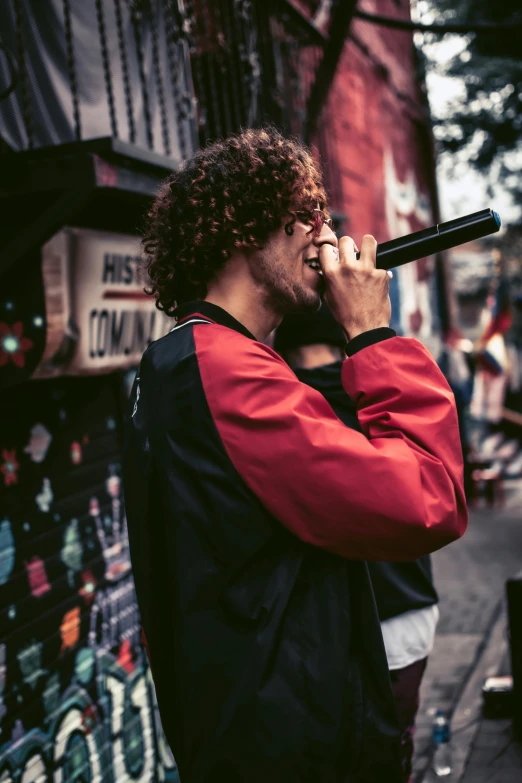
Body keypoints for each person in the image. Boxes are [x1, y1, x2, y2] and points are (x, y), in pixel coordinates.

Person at [123, 126, 467, 783]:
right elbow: (428, 497)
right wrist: (370, 332)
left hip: (264, 732)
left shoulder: (189, 363)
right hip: (287, 745)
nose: (326, 233)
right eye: (304, 213)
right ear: (241, 229)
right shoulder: (224, 371)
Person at [274, 305, 442, 783]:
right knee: (395, 751)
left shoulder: (285, 410)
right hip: (411, 608)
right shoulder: (379, 390)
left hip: (339, 628)